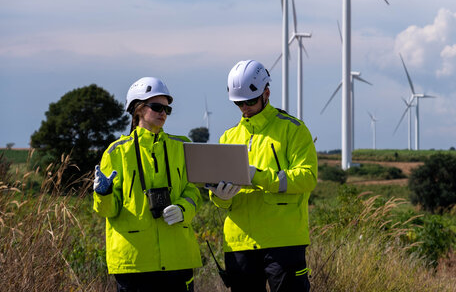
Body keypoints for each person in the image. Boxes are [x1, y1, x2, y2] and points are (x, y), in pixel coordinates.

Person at [208, 60, 318, 292]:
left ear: (266, 93)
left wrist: (257, 176)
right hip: (239, 243)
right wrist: (219, 196)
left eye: (249, 101)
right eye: (238, 103)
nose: (244, 108)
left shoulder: (293, 130)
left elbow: (307, 177)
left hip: (283, 241)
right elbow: (220, 201)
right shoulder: (228, 137)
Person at [93, 77, 202, 292]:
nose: (163, 113)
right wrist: (103, 194)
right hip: (134, 261)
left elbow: (193, 190)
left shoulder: (182, 146)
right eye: (157, 107)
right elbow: (108, 210)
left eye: (167, 109)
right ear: (138, 109)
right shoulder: (117, 152)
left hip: (177, 258)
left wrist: (184, 209)